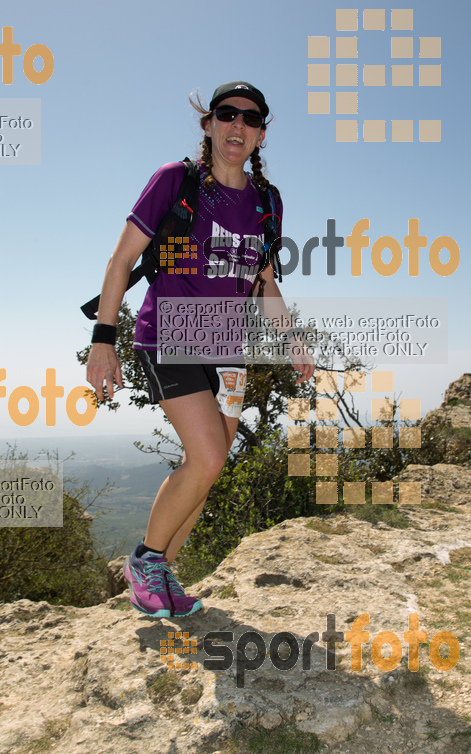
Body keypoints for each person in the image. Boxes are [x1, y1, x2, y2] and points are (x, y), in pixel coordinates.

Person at [86, 81, 315, 619]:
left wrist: (292, 339)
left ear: (261, 133)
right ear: (208, 124)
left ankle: (161, 579)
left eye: (250, 119)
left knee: (207, 470)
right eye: (227, 114)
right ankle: (143, 563)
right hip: (169, 334)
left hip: (228, 346)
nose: (238, 126)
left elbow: (264, 282)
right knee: (210, 453)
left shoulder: (267, 201)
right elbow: (121, 261)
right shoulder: (177, 181)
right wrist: (103, 339)